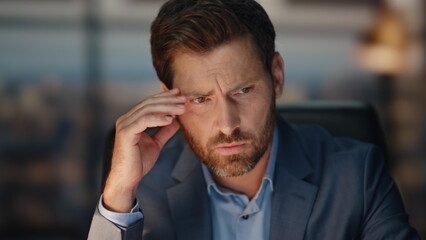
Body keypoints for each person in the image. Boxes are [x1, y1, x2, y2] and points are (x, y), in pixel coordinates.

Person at [88, 0, 419, 239]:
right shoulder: (143, 186)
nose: (227, 124)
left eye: (243, 90)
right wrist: (119, 191)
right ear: (168, 98)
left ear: (276, 76)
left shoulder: (355, 176)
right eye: (201, 99)